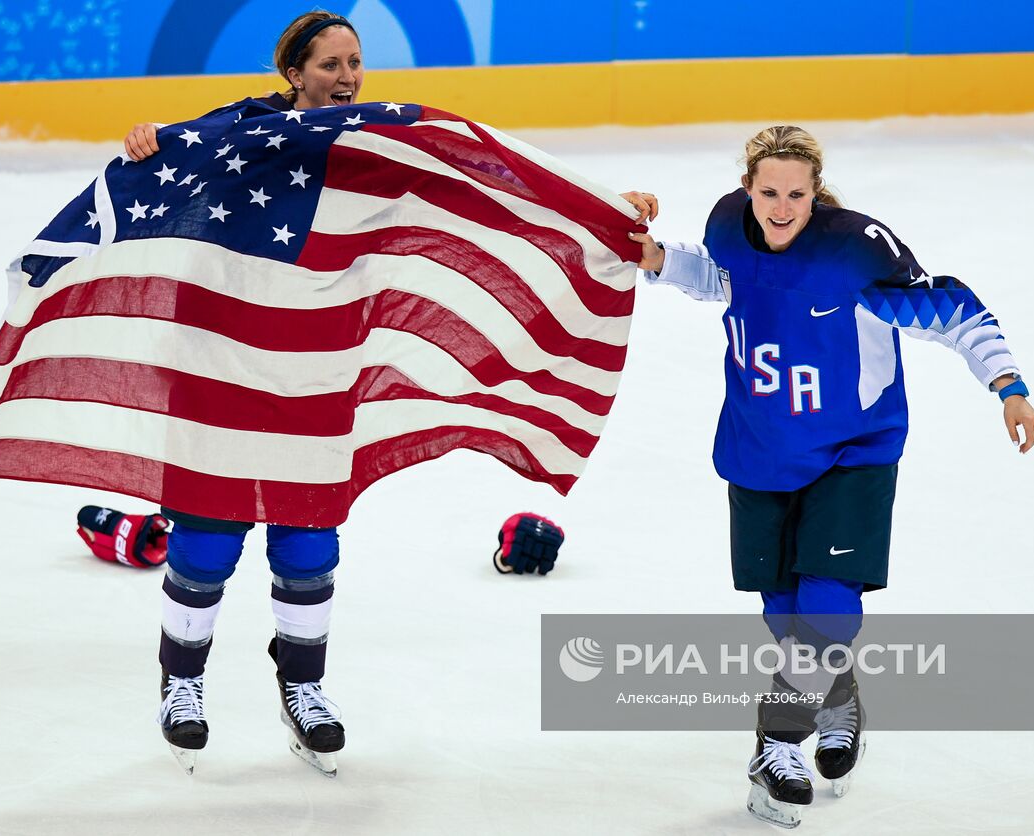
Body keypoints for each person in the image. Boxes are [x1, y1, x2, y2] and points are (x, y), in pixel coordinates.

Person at [117, 10, 662, 777]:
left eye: (354, 61)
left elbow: (487, 182)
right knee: (208, 536)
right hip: (228, 355)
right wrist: (147, 137)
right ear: (294, 73)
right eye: (330, 65)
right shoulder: (240, 130)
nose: (347, 77)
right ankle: (183, 682)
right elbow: (168, 165)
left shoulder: (378, 136)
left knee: (307, 540)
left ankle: (302, 689)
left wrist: (601, 209)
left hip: (317, 362)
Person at [628, 125, 1034, 828]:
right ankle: (838, 696)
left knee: (829, 611)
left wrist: (1007, 384)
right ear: (747, 188)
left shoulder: (854, 255)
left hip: (855, 450)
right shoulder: (730, 227)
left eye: (796, 193)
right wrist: (656, 255)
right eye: (768, 192)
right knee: (786, 620)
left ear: (816, 192)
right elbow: (716, 275)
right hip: (760, 451)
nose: (781, 207)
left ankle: (775, 744)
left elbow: (952, 310)